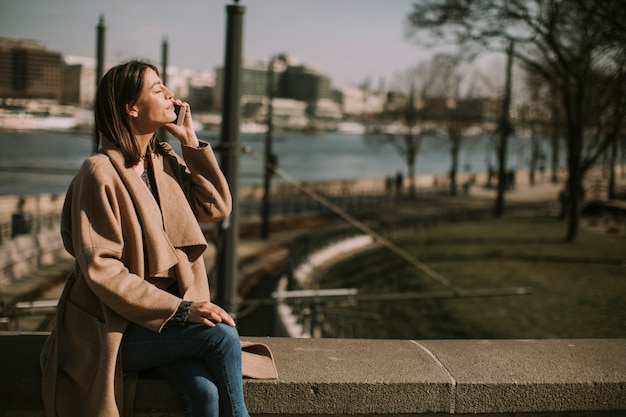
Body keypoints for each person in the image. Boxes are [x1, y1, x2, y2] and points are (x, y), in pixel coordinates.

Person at [40, 60, 276, 417]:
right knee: (222, 334)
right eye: (156, 88)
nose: (169, 93)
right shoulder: (99, 172)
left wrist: (191, 145)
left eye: (165, 85)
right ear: (131, 108)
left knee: (205, 395)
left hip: (165, 326)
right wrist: (182, 310)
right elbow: (102, 268)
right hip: (115, 328)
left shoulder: (161, 160)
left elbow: (217, 206)